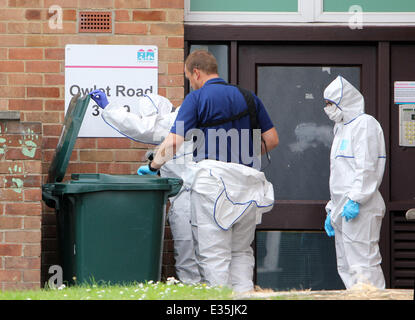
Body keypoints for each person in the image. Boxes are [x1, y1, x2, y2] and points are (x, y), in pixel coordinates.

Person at [137, 50, 279, 293]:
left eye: (188, 78)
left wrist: (152, 166)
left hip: (213, 183)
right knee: (241, 251)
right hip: (249, 183)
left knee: (214, 255)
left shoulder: (197, 98)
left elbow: (173, 142)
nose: (190, 83)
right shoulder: (249, 97)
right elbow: (272, 139)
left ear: (196, 72)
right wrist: (239, 150)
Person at [89, 91, 202, 284]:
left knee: (187, 253)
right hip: (201, 194)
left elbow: (140, 127)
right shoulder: (189, 116)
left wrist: (108, 108)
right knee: (207, 252)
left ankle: (193, 293)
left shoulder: (170, 120)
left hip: (187, 196)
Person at [323, 75, 387, 289]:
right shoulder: (341, 129)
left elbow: (366, 167)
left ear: (345, 101)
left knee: (364, 265)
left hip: (361, 207)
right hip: (343, 209)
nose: (328, 108)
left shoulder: (365, 124)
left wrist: (356, 199)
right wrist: (331, 208)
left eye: (331, 103)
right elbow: (340, 175)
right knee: (347, 265)